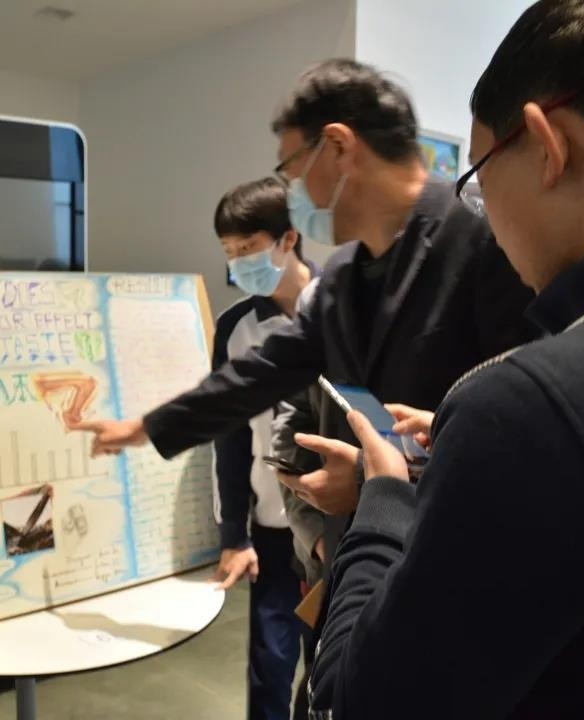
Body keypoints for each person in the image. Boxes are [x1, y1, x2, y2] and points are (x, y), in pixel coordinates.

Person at [301, 1, 584, 716]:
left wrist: (384, 490)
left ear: (549, 145)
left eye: (481, 175)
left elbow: (367, 701)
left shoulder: (532, 404)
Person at [78, 59, 536, 524]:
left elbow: (528, 425)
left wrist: (368, 478)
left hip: (466, 536)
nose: (292, 192)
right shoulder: (341, 275)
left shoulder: (488, 237)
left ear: (338, 146)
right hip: (367, 544)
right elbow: (266, 369)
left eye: (292, 172)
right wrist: (148, 427)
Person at [209, 178, 323, 719]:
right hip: (274, 527)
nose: (238, 264)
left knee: (329, 663)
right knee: (270, 663)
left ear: (288, 238)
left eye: (248, 248)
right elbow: (229, 436)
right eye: (229, 252)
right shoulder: (236, 328)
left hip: (335, 528)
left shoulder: (341, 309)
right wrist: (234, 533)